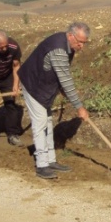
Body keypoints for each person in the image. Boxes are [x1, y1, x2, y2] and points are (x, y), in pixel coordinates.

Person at [19, 22, 91, 179]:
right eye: (80, 42)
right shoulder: (58, 49)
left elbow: (61, 72)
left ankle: (50, 160)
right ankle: (42, 165)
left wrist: (63, 90)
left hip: (45, 86)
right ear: (71, 35)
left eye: (84, 43)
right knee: (40, 123)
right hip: (34, 86)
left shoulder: (68, 45)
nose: (81, 46)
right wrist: (79, 107)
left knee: (48, 123)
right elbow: (65, 78)